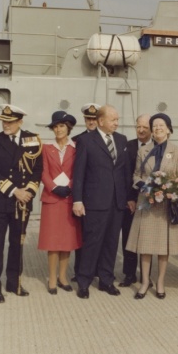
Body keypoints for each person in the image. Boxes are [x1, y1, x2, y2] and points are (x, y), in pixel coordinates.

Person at [0, 104, 43, 303]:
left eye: (10, 122)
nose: (6, 125)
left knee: (17, 244)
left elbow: (37, 170)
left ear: (20, 122)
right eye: (4, 121)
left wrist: (28, 192)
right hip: (1, 201)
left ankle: (14, 282)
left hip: (23, 203)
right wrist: (15, 191)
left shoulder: (32, 140)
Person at [72, 105, 131, 299]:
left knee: (111, 243)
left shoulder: (121, 140)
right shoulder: (86, 141)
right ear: (101, 121)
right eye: (113, 119)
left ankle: (106, 280)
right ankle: (84, 281)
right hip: (95, 201)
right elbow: (78, 173)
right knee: (92, 242)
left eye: (117, 119)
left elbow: (125, 172)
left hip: (117, 202)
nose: (116, 123)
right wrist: (77, 200)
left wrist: (128, 197)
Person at [126, 113, 178, 300]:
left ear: (169, 128)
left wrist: (170, 188)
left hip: (165, 205)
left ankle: (160, 282)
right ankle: (145, 282)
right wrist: (142, 185)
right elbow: (136, 174)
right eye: (155, 125)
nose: (158, 128)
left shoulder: (177, 151)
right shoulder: (144, 151)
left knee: (162, 247)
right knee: (145, 246)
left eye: (162, 125)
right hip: (146, 202)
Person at [38, 111, 82, 294]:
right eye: (55, 126)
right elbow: (43, 171)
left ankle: (63, 277)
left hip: (69, 199)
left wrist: (70, 187)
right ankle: (52, 278)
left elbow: (78, 172)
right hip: (52, 198)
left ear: (68, 128)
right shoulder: (47, 148)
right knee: (52, 241)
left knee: (67, 241)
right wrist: (54, 187)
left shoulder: (76, 148)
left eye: (62, 126)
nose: (58, 129)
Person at [119, 113, 152, 288]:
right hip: (130, 200)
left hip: (150, 200)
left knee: (148, 239)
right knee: (128, 238)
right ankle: (129, 274)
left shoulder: (157, 147)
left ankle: (146, 276)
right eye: (138, 127)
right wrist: (129, 199)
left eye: (145, 128)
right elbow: (125, 175)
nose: (140, 130)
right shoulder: (128, 146)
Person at [71, 102, 101, 281]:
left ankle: (95, 270)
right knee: (81, 236)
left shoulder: (107, 139)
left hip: (99, 196)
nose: (91, 122)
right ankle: (79, 271)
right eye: (88, 118)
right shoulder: (77, 140)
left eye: (94, 118)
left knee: (98, 237)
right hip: (84, 196)